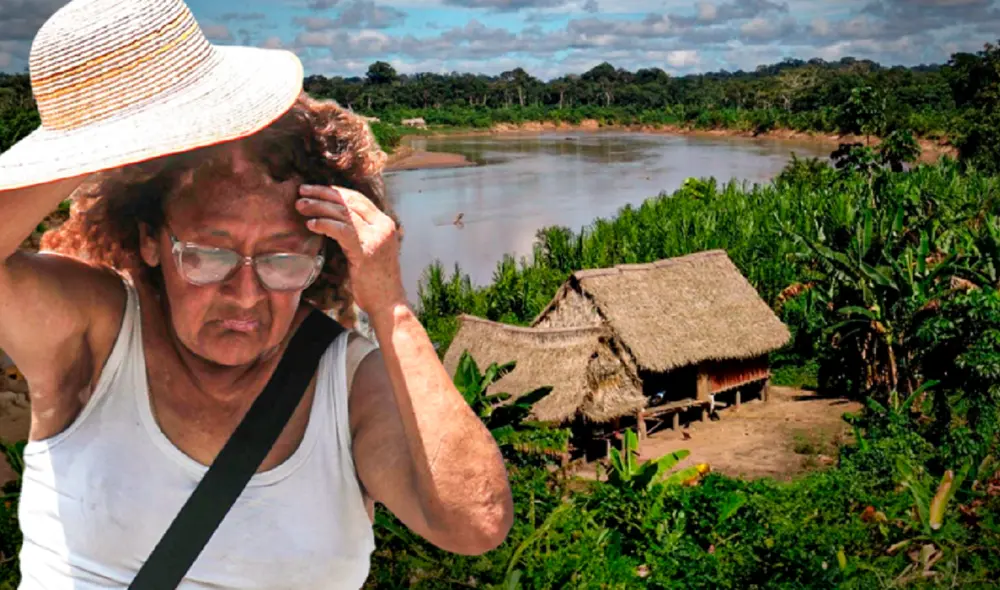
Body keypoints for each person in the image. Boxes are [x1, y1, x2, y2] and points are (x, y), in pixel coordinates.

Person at [0, 0, 513, 587]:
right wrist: (113, 132)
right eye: (208, 255)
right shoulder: (96, 333)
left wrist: (390, 305)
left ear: (325, 256)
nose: (245, 294)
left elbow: (473, 523)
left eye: (282, 260)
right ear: (148, 240)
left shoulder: (345, 383)